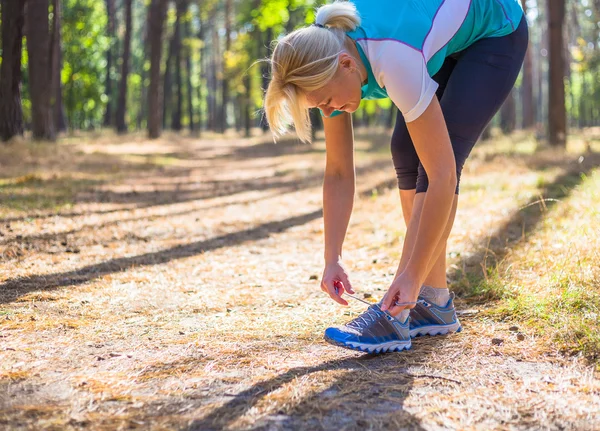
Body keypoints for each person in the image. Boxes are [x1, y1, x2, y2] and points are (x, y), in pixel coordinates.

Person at [263, 0, 527, 354]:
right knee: (405, 150)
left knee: (440, 157)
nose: (328, 112)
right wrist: (332, 257)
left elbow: (442, 176)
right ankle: (434, 303)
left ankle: (402, 310)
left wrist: (409, 276)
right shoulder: (328, 57)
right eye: (318, 107)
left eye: (326, 101)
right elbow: (339, 171)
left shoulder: (393, 56)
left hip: (493, 31)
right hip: (437, 40)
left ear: (346, 64)